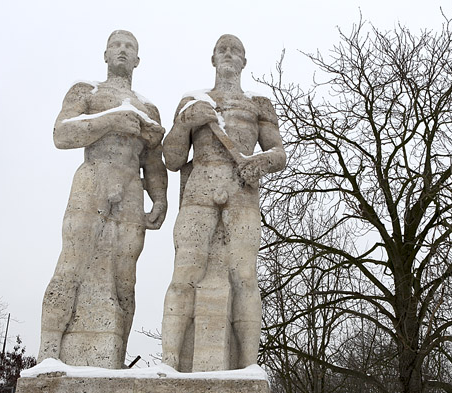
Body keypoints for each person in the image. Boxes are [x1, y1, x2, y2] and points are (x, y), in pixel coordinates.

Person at [38, 30, 167, 367]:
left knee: (126, 278)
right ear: (106, 54)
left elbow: (153, 160)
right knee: (72, 264)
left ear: (137, 60)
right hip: (94, 174)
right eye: (117, 45)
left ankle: (115, 361)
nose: (123, 51)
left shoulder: (147, 107)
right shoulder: (88, 91)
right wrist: (111, 120)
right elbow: (62, 133)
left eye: (130, 47)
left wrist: (160, 197)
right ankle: (48, 354)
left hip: (130, 187)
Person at [161, 34, 286, 370]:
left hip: (241, 192)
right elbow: (172, 158)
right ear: (213, 58)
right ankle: (169, 362)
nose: (229, 54)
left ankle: (248, 367)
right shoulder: (193, 101)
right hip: (200, 188)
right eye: (222, 50)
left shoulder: (258, 104)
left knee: (245, 276)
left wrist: (257, 163)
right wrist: (187, 122)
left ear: (244, 61)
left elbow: (279, 153)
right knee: (184, 274)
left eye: (236, 51)